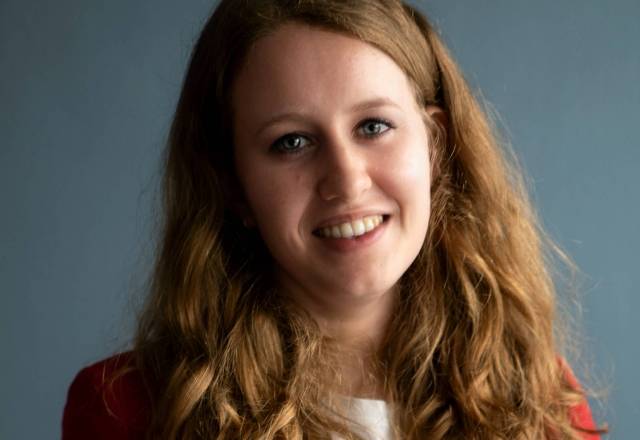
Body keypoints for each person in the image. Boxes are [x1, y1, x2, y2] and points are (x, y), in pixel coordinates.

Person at [62, 0, 605, 438]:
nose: (346, 180)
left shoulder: (540, 399)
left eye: (373, 126)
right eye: (291, 142)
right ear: (233, 185)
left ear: (435, 147)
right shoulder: (125, 412)